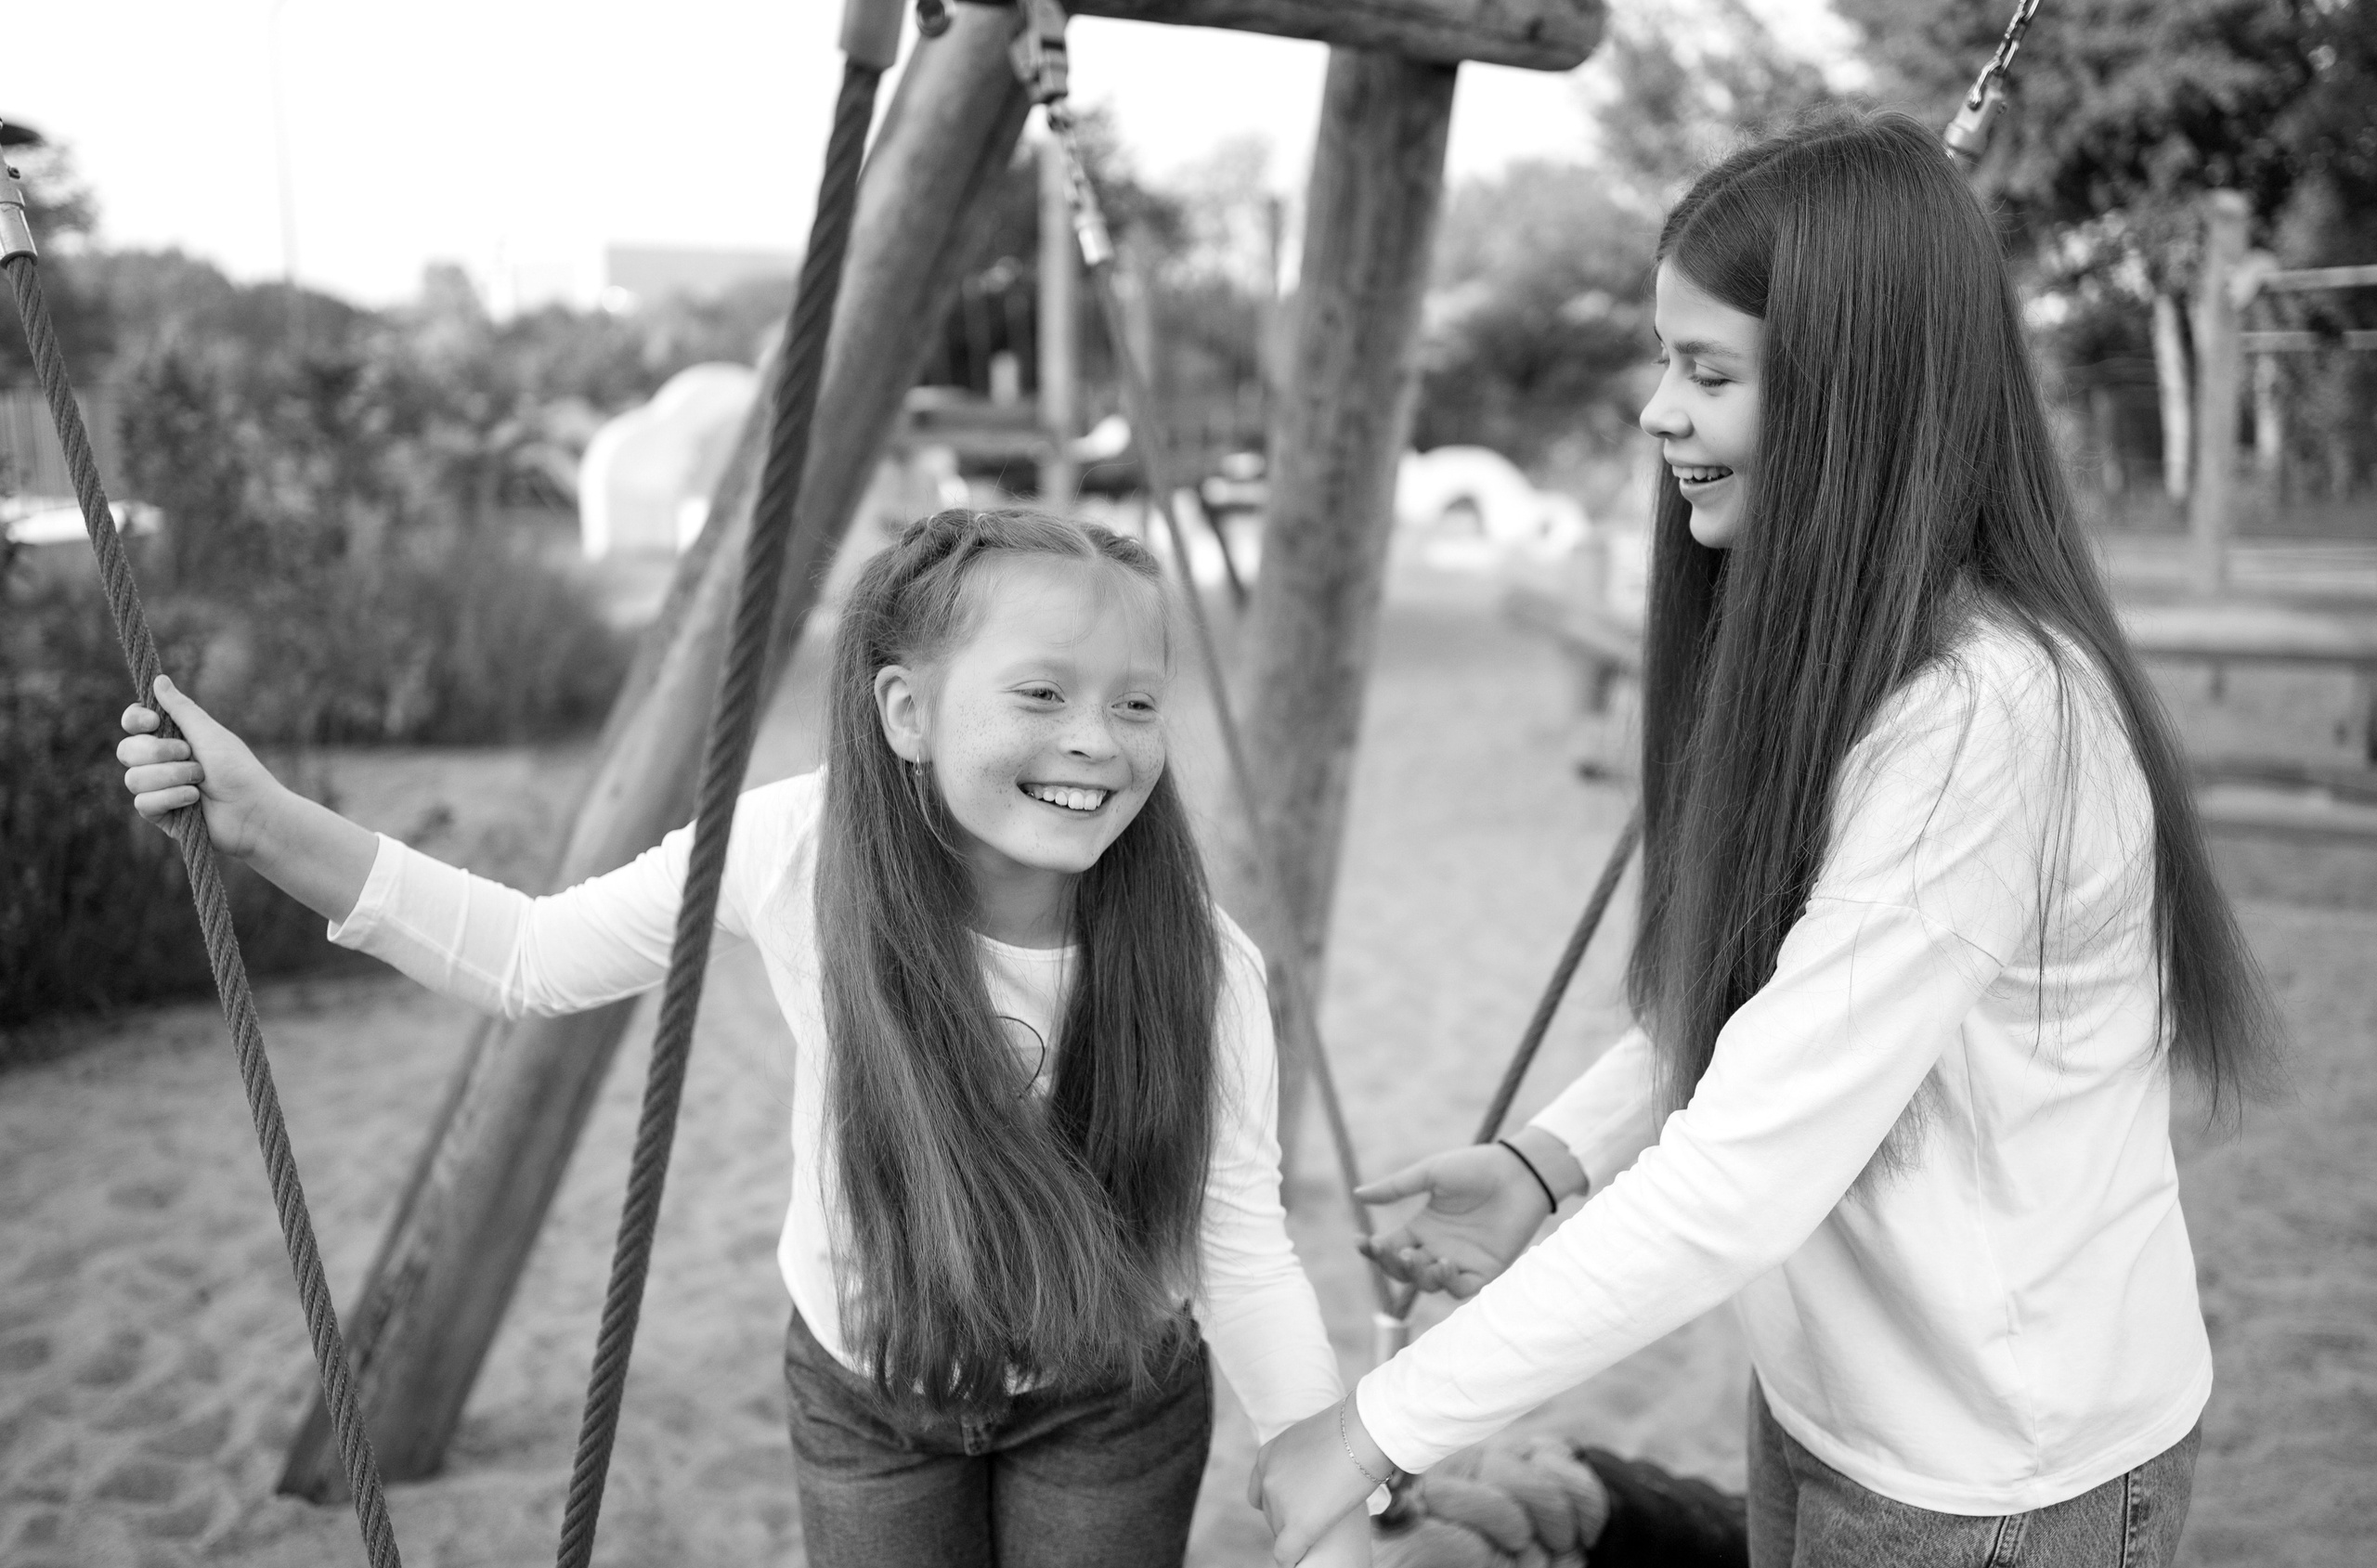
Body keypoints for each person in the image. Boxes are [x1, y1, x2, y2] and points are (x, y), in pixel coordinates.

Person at [1251, 109, 2278, 1568]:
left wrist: (1372, 1428)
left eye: (1709, 371)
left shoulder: (1986, 722)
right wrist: (1549, 1159)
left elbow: (1738, 1175)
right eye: (1668, 361)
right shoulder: (1858, 655)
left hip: (1994, 1469)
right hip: (1841, 1394)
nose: (1660, 411)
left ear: (1853, 397)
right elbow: (1774, 1001)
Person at [117, 509, 1370, 1568]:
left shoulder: (1198, 960)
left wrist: (1320, 1444)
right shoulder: (801, 848)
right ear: (907, 711)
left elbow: (1239, 1239)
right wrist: (272, 826)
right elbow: (529, 955)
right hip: (870, 1392)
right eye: (1041, 693)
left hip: (1112, 1395)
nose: (1099, 738)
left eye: (1136, 702)